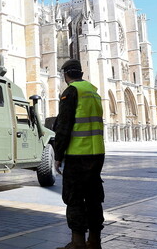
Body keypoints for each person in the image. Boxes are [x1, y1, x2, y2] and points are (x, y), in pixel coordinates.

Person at [54, 59, 105, 249]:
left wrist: (58, 155)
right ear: (81, 73)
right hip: (97, 153)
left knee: (74, 197)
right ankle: (94, 241)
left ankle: (77, 242)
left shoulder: (71, 91)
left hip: (77, 154)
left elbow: (64, 127)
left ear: (66, 74)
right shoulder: (94, 92)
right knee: (93, 197)